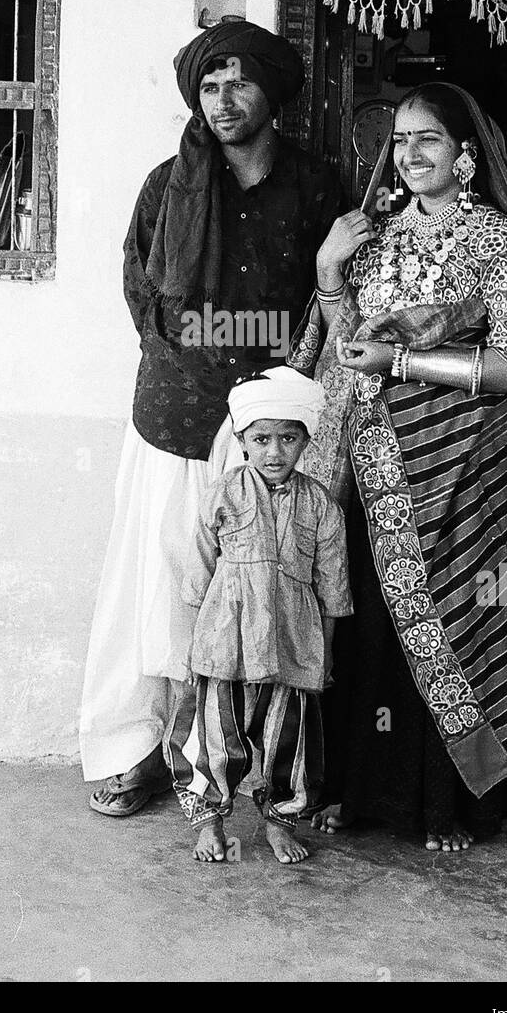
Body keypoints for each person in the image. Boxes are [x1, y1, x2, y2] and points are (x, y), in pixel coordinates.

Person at [80, 22, 343, 816]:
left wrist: (270, 403)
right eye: (209, 86)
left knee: (250, 593)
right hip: (176, 421)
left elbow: (329, 304)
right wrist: (215, 391)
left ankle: (218, 766)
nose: (223, 100)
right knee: (158, 585)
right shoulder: (170, 186)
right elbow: (145, 299)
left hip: (271, 434)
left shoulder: (316, 184)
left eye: (239, 83)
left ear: (272, 94)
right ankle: (132, 749)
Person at [289, 81, 507, 853]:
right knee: (372, 626)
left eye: (428, 138)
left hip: (463, 468)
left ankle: (452, 804)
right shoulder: (372, 234)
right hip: (375, 462)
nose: (410, 154)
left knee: (459, 621)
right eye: (400, 141)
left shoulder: (498, 242)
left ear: (468, 154)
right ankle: (362, 794)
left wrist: (404, 358)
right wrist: (329, 271)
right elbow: (343, 349)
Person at [164, 367, 352, 864]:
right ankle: (210, 821)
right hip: (226, 639)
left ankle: (277, 821)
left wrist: (325, 657)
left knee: (287, 742)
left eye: (288, 438)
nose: (274, 451)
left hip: (293, 641)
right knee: (216, 737)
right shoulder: (224, 491)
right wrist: (190, 648)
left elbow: (333, 591)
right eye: (262, 439)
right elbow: (198, 574)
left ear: (306, 440)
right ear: (243, 440)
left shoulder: (320, 504)